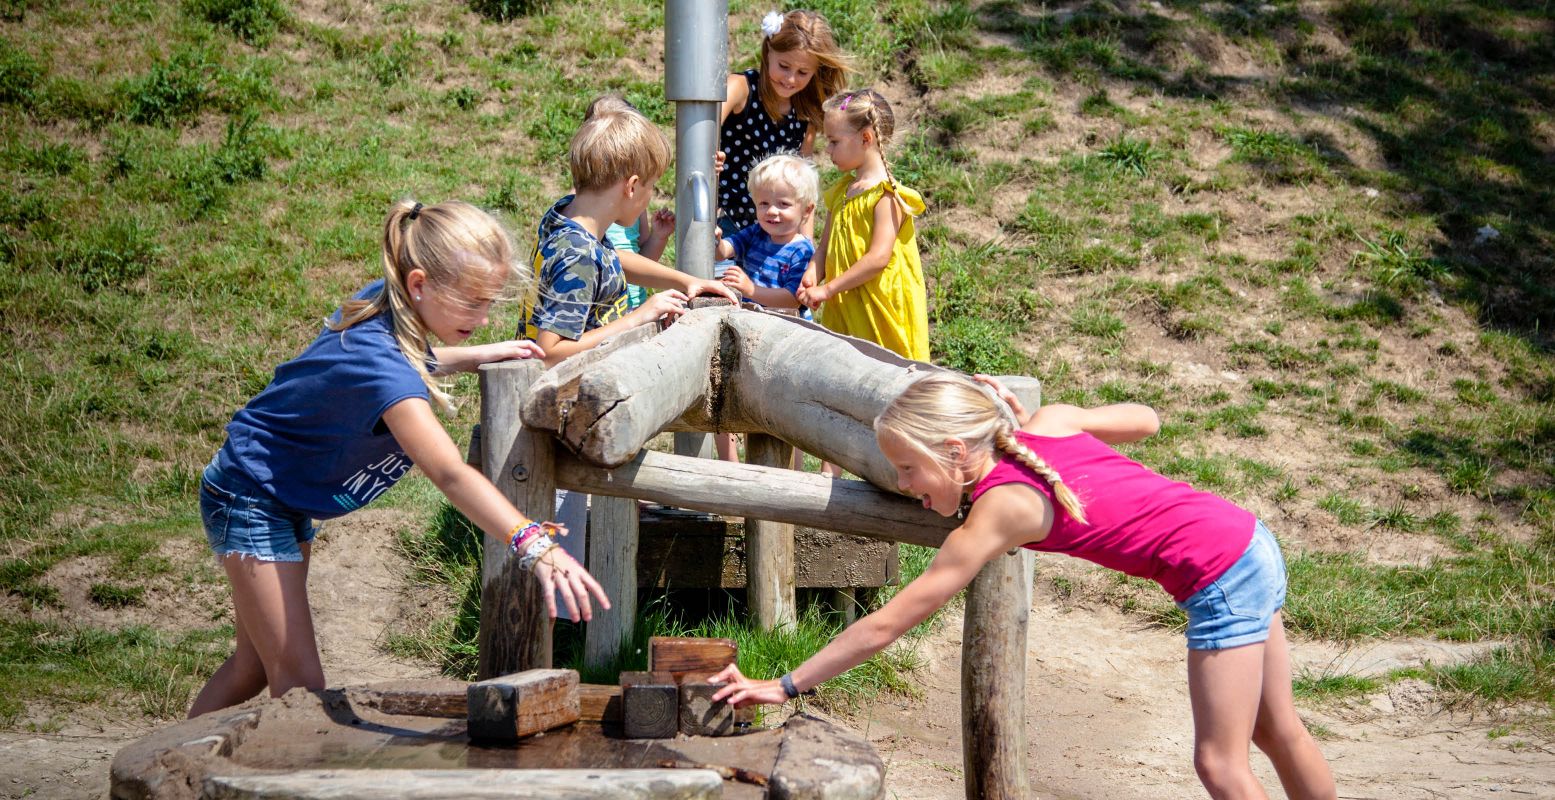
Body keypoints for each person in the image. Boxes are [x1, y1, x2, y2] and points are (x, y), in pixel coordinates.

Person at [712, 372, 1339, 800]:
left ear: (957, 451)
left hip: (1221, 578)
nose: (904, 485)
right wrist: (1038, 423)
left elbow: (889, 622)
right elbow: (1146, 419)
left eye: (908, 468)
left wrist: (786, 684)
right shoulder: (1052, 425)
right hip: (1249, 540)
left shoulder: (1000, 509)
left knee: (1219, 763)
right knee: (1275, 728)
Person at [188, 200, 610, 718]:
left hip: (279, 489)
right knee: (300, 689)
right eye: (472, 304)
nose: (482, 319)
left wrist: (474, 354)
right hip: (251, 496)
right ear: (419, 284)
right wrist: (530, 541)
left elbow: (410, 358)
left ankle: (172, 770)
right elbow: (450, 473)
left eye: (488, 304)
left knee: (252, 668)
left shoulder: (387, 306)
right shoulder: (384, 369)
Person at [519, 103, 735, 577]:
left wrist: (683, 280)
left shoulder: (568, 219)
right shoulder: (576, 254)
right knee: (556, 555)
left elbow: (616, 262)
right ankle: (550, 630)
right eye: (652, 184)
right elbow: (550, 349)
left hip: (572, 413)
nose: (652, 193)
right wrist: (638, 315)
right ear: (632, 187)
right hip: (554, 419)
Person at [800, 88, 929, 478]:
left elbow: (878, 258)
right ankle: (830, 474)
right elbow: (826, 242)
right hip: (845, 300)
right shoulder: (844, 190)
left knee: (889, 387)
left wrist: (828, 288)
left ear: (866, 139)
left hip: (877, 303)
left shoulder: (886, 195)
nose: (829, 151)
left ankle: (901, 470)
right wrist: (814, 270)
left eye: (835, 142)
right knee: (841, 380)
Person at [712, 152, 820, 462]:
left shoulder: (801, 249)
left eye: (783, 205)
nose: (771, 212)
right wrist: (717, 238)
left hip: (787, 340)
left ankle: (791, 474)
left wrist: (752, 290)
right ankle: (732, 468)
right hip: (754, 333)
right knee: (741, 400)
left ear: (806, 210)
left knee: (784, 414)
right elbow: (724, 252)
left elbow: (793, 298)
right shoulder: (755, 233)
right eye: (763, 204)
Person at [717, 9, 849, 238]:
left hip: (776, 231)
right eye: (784, 66)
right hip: (724, 222)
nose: (790, 79)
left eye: (802, 72)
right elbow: (700, 133)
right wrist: (710, 155)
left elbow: (804, 186)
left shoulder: (806, 114)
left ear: (816, 72)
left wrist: (805, 245)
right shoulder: (740, 88)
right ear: (768, 51)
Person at [586, 94, 674, 310]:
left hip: (634, 308)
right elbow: (611, 259)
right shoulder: (581, 212)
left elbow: (643, 260)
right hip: (601, 317)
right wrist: (683, 280)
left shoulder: (633, 206)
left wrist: (658, 237)